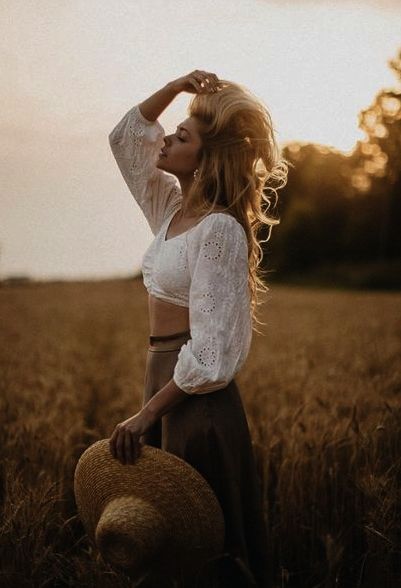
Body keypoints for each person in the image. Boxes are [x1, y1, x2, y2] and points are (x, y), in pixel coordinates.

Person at [108, 70, 288, 588]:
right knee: (170, 551)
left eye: (182, 136)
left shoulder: (219, 230)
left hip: (195, 400)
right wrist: (176, 86)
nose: (166, 137)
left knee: (208, 553)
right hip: (162, 379)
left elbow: (210, 355)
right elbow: (126, 138)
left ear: (207, 159)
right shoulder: (169, 209)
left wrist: (147, 414)